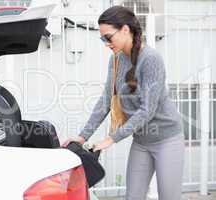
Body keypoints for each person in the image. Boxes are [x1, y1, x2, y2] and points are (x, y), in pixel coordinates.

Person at [62, 5, 185, 200]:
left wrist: (111, 139)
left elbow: (147, 110)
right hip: (141, 142)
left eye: (108, 37)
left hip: (167, 141)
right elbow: (106, 101)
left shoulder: (151, 59)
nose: (106, 43)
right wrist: (83, 137)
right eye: (102, 38)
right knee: (132, 196)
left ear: (125, 30)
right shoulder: (116, 59)